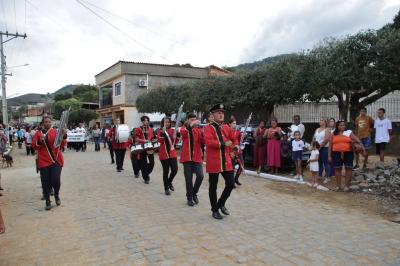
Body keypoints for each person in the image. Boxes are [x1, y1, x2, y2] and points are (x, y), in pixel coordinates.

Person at [204, 104, 238, 220]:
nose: (221, 114)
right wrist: (224, 144)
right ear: (213, 115)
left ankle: (221, 203)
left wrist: (234, 149)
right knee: (213, 186)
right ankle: (214, 210)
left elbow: (234, 139)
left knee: (231, 183)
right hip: (214, 161)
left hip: (227, 160)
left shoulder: (227, 127)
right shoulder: (208, 128)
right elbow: (209, 143)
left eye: (222, 112)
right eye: (218, 112)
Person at [32, 116, 67, 210]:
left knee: (56, 180)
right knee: (45, 182)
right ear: (43, 123)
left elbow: (63, 144)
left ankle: (56, 195)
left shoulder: (56, 132)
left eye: (49, 121)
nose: (48, 123)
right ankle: (47, 200)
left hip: (56, 159)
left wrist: (64, 135)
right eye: (46, 122)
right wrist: (40, 141)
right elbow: (34, 146)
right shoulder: (38, 133)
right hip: (43, 160)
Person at [329, 120, 365, 192]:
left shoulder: (349, 132)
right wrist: (329, 156)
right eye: (341, 125)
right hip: (336, 153)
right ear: (337, 126)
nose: (342, 126)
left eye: (343, 125)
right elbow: (330, 145)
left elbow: (357, 140)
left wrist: (361, 147)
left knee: (348, 169)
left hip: (348, 153)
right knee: (337, 169)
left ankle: (346, 186)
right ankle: (338, 186)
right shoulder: (333, 134)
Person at [180, 113, 204, 206]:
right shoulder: (184, 128)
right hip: (187, 158)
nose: (193, 121)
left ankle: (194, 193)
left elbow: (203, 141)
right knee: (188, 179)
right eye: (191, 119)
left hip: (197, 157)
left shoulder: (198, 130)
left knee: (200, 176)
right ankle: (189, 198)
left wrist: (204, 133)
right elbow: (183, 133)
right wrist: (190, 125)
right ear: (188, 120)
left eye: (194, 119)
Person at [157, 117, 178, 195]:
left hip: (172, 153)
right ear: (163, 123)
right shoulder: (160, 131)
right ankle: (166, 188)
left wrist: (177, 136)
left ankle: (169, 182)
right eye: (165, 122)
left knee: (175, 170)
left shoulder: (173, 130)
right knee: (166, 171)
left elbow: (176, 141)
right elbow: (160, 140)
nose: (167, 123)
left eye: (168, 122)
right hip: (164, 154)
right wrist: (163, 133)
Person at [134, 116, 155, 184]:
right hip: (142, 148)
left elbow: (152, 138)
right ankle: (146, 178)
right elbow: (136, 139)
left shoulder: (151, 129)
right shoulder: (138, 129)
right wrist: (144, 140)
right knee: (143, 164)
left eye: (147, 120)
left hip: (150, 148)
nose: (146, 122)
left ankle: (145, 173)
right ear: (142, 121)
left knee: (152, 163)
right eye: (145, 120)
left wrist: (154, 140)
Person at [313, 118, 331, 183]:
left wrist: (320, 146)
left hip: (324, 148)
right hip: (317, 148)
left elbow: (326, 139)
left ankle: (328, 177)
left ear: (325, 122)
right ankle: (320, 175)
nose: (320, 121)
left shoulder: (327, 129)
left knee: (326, 163)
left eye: (322, 120)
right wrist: (314, 146)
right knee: (319, 162)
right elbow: (314, 138)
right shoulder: (317, 129)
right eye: (320, 120)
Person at [229, 119, 243, 187]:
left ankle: (236, 179)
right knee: (232, 167)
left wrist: (243, 136)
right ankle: (231, 182)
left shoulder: (238, 132)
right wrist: (233, 146)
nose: (235, 124)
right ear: (230, 124)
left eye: (235, 123)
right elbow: (227, 142)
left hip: (238, 151)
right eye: (233, 123)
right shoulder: (228, 131)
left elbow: (240, 140)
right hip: (231, 151)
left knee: (241, 166)